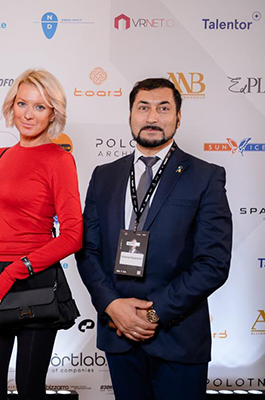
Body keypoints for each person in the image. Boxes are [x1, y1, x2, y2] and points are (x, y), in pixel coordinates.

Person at [75, 78, 232, 400]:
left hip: (178, 336)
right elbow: (88, 250)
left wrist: (152, 313)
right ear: (130, 115)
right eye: (143, 108)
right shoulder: (104, 175)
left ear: (178, 117)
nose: (152, 117)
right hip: (118, 332)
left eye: (163, 109)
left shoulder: (205, 176)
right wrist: (111, 305)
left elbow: (213, 263)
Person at [0, 69, 83, 400]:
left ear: (53, 114)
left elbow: (73, 235)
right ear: (12, 105)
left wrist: (15, 272)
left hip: (33, 279)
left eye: (39, 106)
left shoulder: (59, 160)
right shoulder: (0, 156)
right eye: (22, 104)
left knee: (29, 389)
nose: (28, 114)